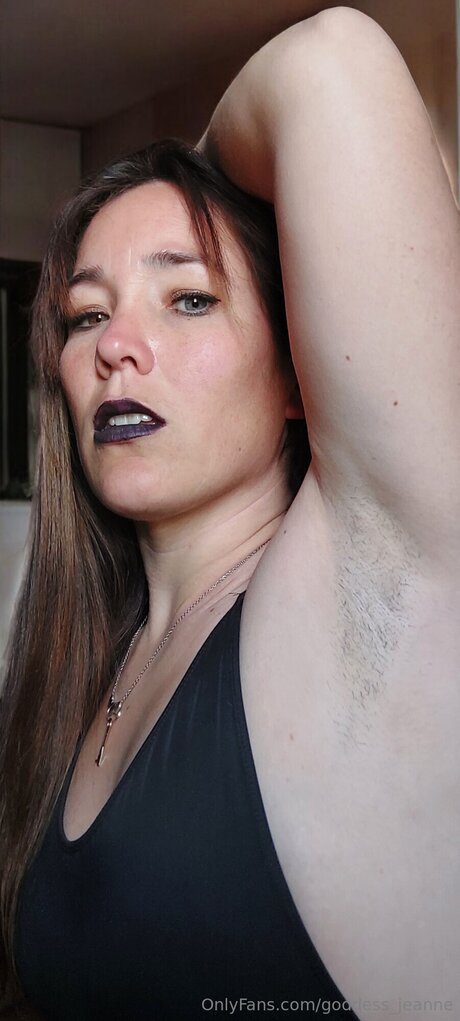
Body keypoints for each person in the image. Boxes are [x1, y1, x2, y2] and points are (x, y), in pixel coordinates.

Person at [1, 7, 459, 1019]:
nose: (116, 345)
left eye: (190, 298)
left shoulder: (358, 605)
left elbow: (330, 61)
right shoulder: (82, 665)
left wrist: (191, 173)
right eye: (87, 314)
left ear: (299, 372)